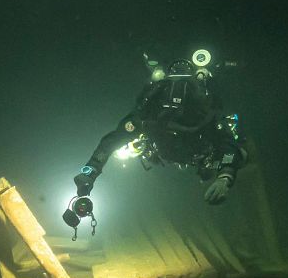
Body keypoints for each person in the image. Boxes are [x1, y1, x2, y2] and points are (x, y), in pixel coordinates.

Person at [70, 49, 246, 228]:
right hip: (195, 153)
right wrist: (225, 177)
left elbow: (112, 141)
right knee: (239, 149)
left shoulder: (149, 112)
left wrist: (90, 171)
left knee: (238, 149)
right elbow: (228, 144)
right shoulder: (203, 112)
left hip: (168, 150)